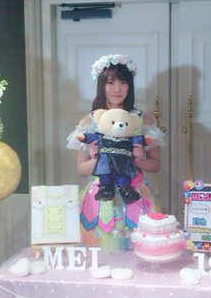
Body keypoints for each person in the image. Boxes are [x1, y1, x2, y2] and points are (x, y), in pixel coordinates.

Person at [66, 54, 165, 247]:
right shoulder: (88, 123)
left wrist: (137, 159)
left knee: (139, 253)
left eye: (123, 82)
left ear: (130, 86)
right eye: (110, 82)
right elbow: (81, 169)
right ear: (101, 85)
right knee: (100, 256)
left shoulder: (143, 120)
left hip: (135, 193)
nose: (117, 89)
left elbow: (155, 165)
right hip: (100, 197)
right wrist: (96, 158)